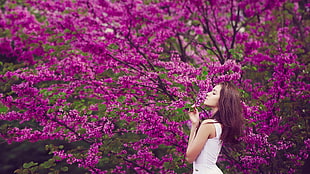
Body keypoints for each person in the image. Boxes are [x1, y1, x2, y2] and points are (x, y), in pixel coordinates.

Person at [185, 81, 244, 174]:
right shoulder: (220, 125)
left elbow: (189, 157)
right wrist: (195, 123)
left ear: (222, 100)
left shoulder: (208, 125)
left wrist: (194, 126)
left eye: (214, 93)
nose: (208, 94)